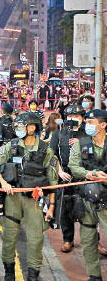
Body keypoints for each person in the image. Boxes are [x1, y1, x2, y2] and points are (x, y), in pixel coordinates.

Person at [0, 112, 58, 281]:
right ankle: (9, 276)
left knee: (36, 240)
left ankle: (32, 279)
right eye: (17, 126)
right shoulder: (10, 147)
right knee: (9, 239)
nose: (18, 129)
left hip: (35, 200)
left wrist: (51, 207)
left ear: (32, 127)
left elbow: (53, 181)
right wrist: (4, 182)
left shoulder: (46, 150)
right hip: (12, 198)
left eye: (22, 126)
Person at [68, 109, 107, 281]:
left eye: (92, 122)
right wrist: (89, 174)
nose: (88, 125)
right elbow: (73, 166)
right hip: (87, 200)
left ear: (103, 125)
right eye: (87, 122)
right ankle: (94, 277)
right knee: (88, 239)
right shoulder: (80, 144)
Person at [50, 104, 94, 253]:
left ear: (82, 118)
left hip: (85, 177)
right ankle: (68, 239)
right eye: (69, 117)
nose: (72, 119)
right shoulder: (59, 133)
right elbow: (52, 155)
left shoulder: (88, 134)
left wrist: (81, 143)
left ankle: (94, 241)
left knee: (88, 211)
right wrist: (59, 171)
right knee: (65, 210)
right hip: (65, 177)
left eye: (76, 116)